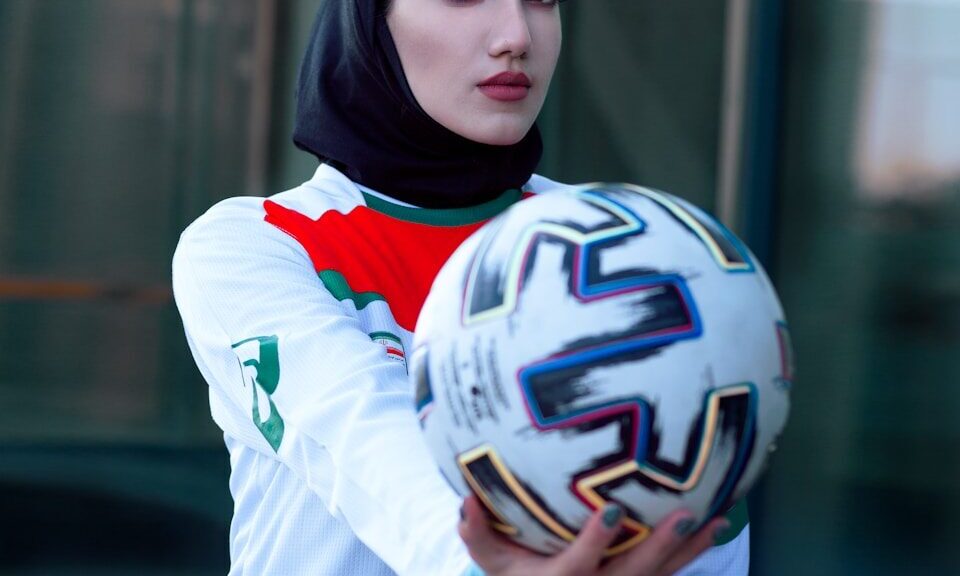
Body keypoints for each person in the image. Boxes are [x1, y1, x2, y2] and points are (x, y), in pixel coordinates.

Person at [172, 0, 749, 574]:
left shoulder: (637, 247)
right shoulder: (258, 243)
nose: (517, 36)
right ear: (369, 19)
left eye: (542, 0)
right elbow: (357, 428)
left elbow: (709, 532)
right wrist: (480, 561)